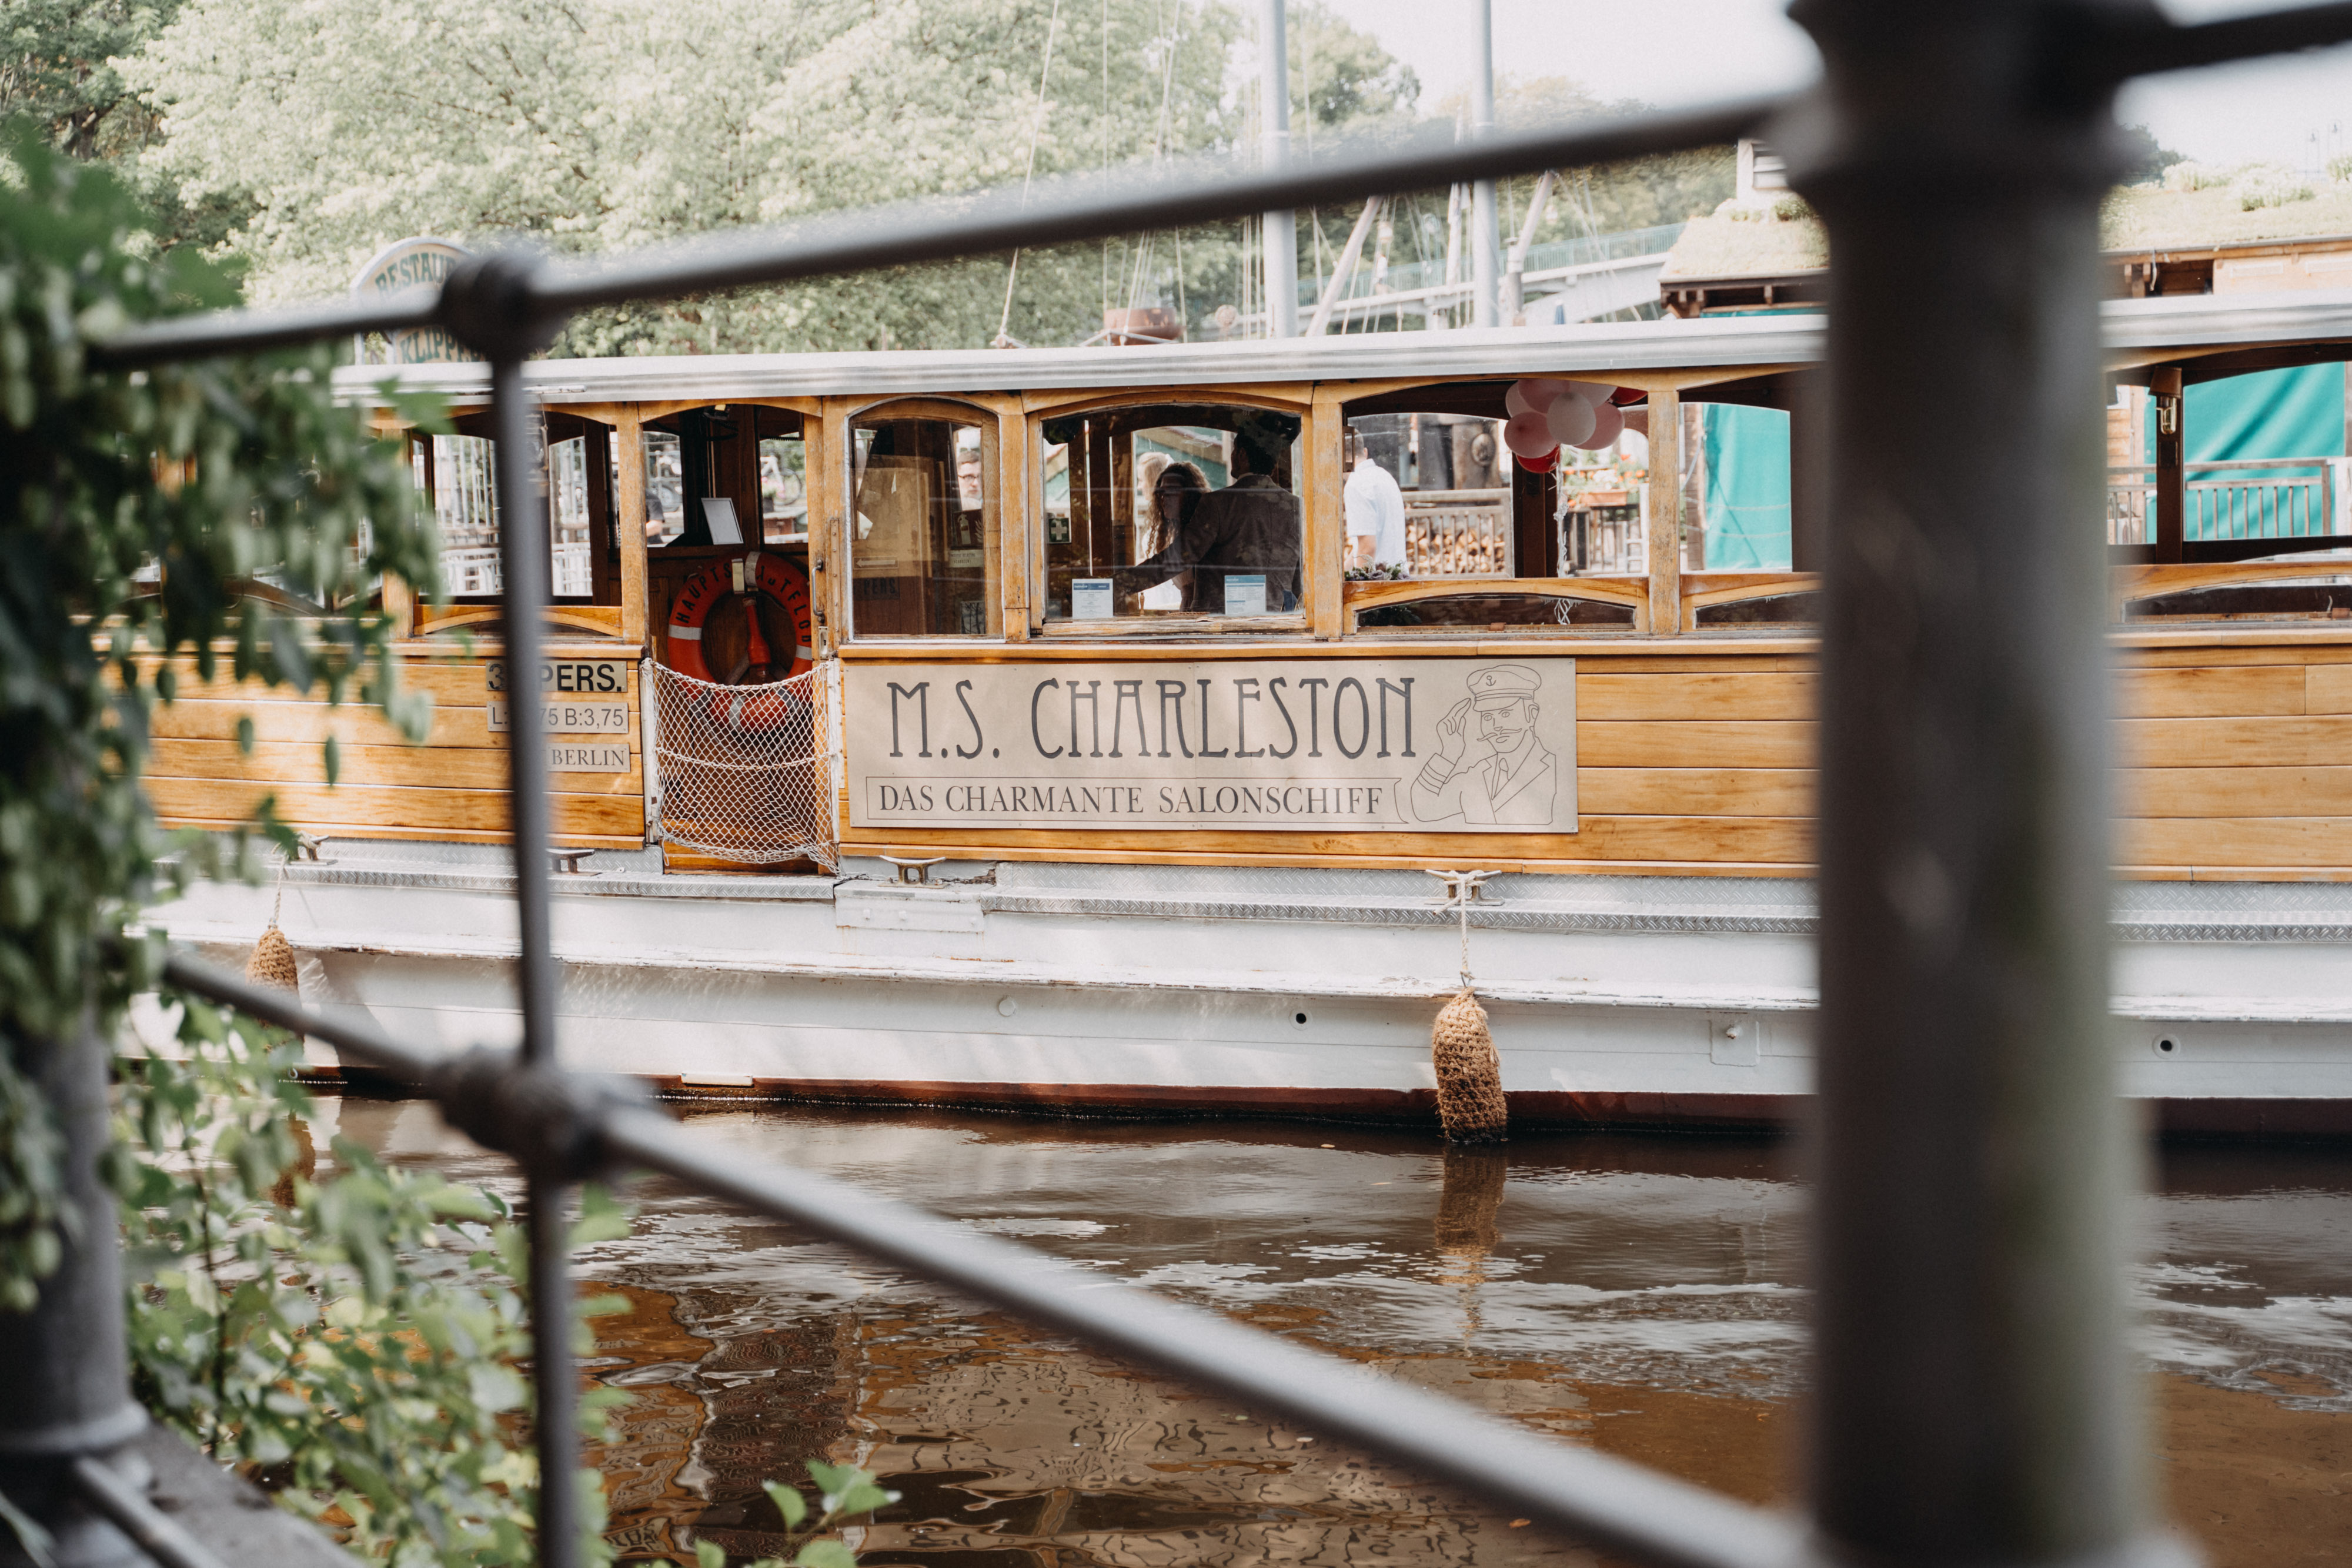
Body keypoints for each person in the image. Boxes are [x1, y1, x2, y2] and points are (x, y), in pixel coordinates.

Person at [1118, 428, 1301, 613]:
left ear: (1241, 455)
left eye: (1233, 451)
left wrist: (1117, 585)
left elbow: (1176, 560)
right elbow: (1299, 580)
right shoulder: (1296, 507)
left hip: (1219, 627)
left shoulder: (1217, 503)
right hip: (1279, 623)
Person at [1411, 664, 1558, 827]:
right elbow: (1425, 809)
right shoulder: (1479, 772)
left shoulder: (1555, 769)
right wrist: (1449, 754)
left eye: (1506, 714)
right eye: (1488, 717)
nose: (1496, 726)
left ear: (1532, 714)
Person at [1344, 430, 1407, 572]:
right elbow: (1360, 548)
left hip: (1378, 585)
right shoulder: (1385, 476)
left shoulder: (1356, 483)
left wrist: (1358, 587)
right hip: (1397, 580)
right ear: (1365, 452)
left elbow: (1367, 548)